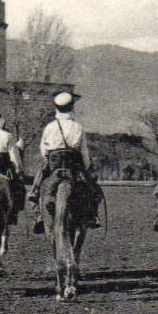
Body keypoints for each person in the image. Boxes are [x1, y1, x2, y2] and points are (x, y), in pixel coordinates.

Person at [28, 91, 103, 233]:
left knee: (39, 182)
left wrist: (49, 159)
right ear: (71, 107)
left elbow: (43, 150)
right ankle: (92, 215)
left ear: (56, 107)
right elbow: (84, 152)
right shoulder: (77, 127)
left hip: (54, 163)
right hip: (73, 165)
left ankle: (37, 210)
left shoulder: (50, 127)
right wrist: (87, 167)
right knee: (92, 189)